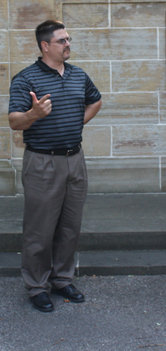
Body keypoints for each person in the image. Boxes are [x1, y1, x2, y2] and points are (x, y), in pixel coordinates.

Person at [8, 20, 102, 312]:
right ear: (45, 45)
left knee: (70, 226)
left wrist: (75, 124)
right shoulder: (26, 79)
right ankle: (36, 285)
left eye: (68, 39)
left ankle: (62, 279)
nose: (68, 44)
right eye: (62, 40)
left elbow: (96, 101)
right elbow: (13, 121)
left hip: (75, 160)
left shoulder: (77, 75)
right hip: (42, 163)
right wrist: (34, 114)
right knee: (40, 229)